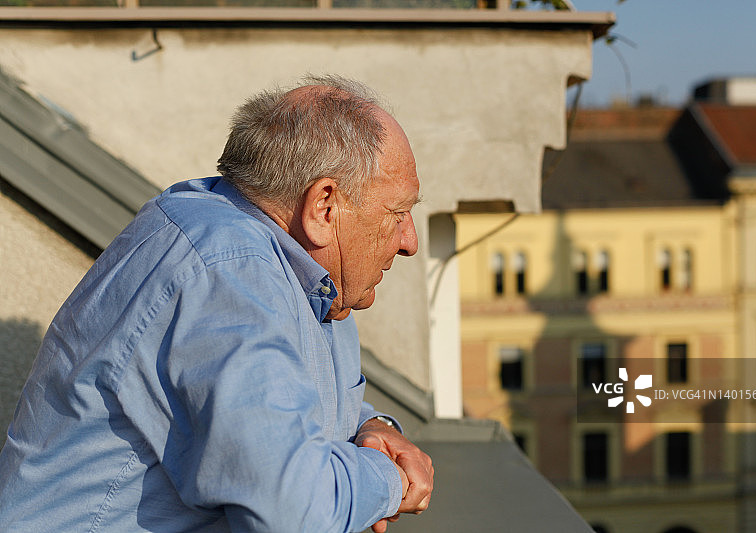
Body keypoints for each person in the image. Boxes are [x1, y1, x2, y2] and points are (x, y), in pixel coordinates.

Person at [0, 75, 433, 532]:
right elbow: (291, 511)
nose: (410, 241)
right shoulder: (227, 273)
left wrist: (376, 428)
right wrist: (388, 478)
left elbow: (294, 405)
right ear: (323, 207)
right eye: (396, 213)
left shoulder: (311, 278)